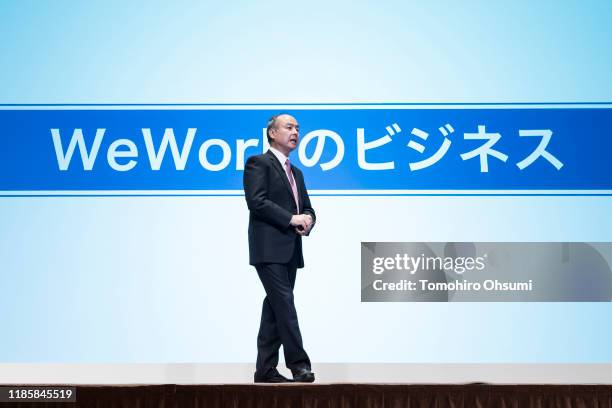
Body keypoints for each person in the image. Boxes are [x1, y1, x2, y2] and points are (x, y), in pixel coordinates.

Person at [243, 113, 316, 383]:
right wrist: (290, 219)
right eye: (289, 127)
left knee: (275, 308)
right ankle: (299, 365)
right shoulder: (258, 163)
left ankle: (265, 370)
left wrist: (308, 219)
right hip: (268, 248)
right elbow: (257, 201)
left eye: (298, 127)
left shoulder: (296, 172)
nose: (296, 131)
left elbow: (305, 207)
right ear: (272, 133)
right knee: (284, 304)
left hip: (290, 250)